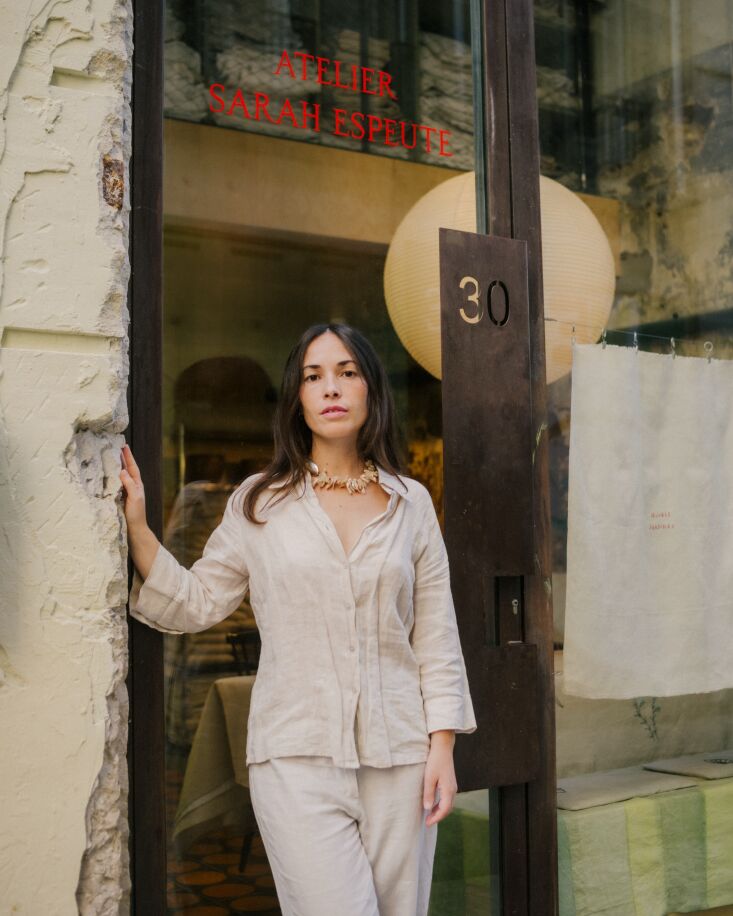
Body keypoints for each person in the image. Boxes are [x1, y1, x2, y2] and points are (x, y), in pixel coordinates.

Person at [120, 322, 477, 916]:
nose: (330, 388)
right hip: (294, 756)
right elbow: (198, 599)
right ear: (297, 397)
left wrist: (442, 749)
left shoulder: (411, 504)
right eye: (314, 377)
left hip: (402, 759)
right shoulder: (260, 502)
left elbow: (435, 634)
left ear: (371, 392)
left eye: (347, 372)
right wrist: (137, 528)